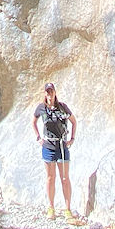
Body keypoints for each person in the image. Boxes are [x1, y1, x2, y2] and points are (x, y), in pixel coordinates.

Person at [32, 81, 77, 221]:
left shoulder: (63, 107)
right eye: (47, 92)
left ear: (55, 92)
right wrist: (38, 137)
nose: (49, 94)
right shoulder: (41, 108)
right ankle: (51, 208)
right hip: (48, 146)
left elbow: (74, 122)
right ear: (45, 93)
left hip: (62, 147)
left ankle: (67, 209)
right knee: (51, 178)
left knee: (65, 178)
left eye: (51, 91)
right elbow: (33, 122)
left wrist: (72, 138)